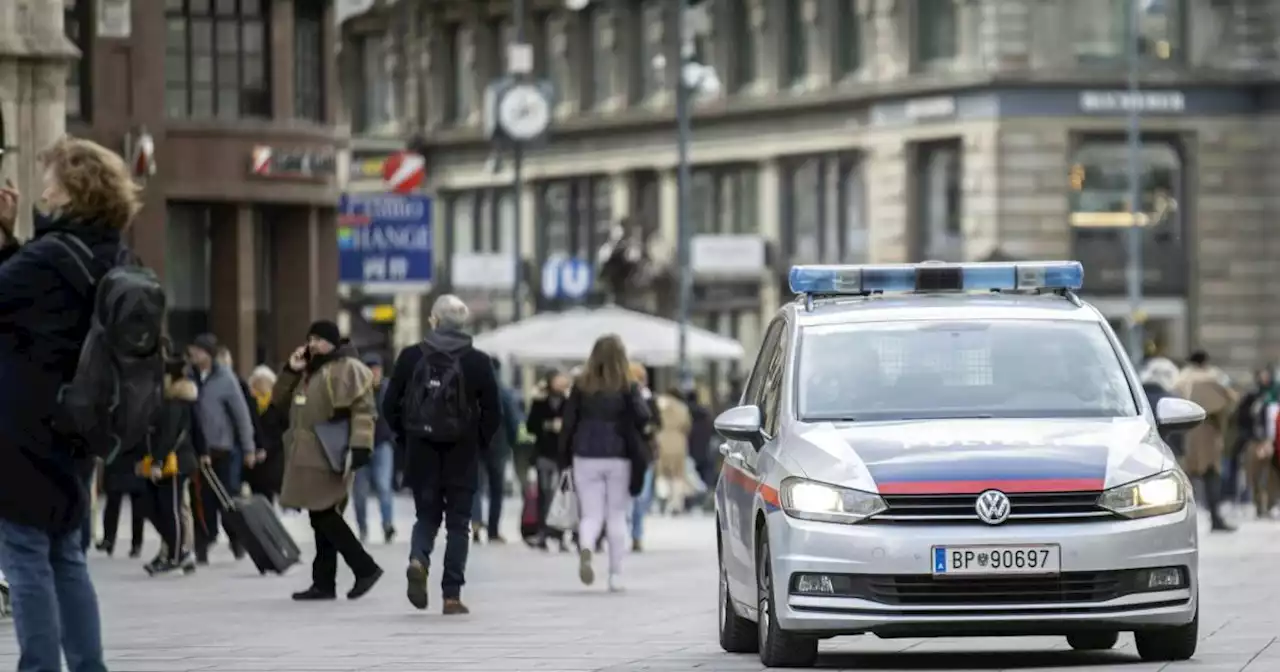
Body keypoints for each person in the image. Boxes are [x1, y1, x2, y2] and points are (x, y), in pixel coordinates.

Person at [0, 136, 144, 672]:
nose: (42, 187)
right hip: (77, 426)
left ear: (72, 190)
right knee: (65, 551)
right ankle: (88, 666)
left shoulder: (47, 257)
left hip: (24, 427)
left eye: (51, 179)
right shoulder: (112, 253)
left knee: (25, 551)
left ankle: (39, 666)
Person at [383, 295, 500, 614]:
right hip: (462, 453)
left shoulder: (410, 357)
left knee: (427, 516)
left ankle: (418, 559)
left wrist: (405, 438)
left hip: (421, 450)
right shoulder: (478, 361)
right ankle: (451, 595)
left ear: (433, 321)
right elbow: (494, 411)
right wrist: (478, 441)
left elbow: (388, 404)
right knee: (459, 524)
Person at [274, 320, 383, 601]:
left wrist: (360, 447)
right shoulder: (309, 370)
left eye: (319, 339)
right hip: (307, 453)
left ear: (333, 342)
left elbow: (364, 411)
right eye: (310, 338)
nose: (313, 344)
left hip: (331, 452)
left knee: (324, 514)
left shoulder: (349, 368)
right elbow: (278, 402)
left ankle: (364, 567)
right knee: (319, 516)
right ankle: (324, 582)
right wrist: (290, 370)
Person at [560, 336, 651, 592]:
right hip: (619, 455)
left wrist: (564, 457)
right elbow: (644, 416)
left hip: (585, 454)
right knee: (617, 515)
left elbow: (568, 423)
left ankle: (587, 545)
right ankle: (615, 575)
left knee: (590, 515)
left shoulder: (581, 385)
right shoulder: (628, 385)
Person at [186, 333, 257, 563]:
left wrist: (249, 449)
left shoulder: (226, 378)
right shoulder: (188, 376)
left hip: (222, 449)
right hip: (198, 451)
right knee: (200, 500)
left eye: (198, 351)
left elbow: (241, 415)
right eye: (193, 350)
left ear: (209, 354)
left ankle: (236, 540)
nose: (194, 354)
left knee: (227, 498)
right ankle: (203, 542)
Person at [140, 356, 206, 575]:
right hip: (177, 461)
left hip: (176, 463)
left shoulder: (175, 404)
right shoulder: (180, 402)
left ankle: (177, 554)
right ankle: (177, 551)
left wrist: (157, 462)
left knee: (172, 509)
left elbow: (168, 436)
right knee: (163, 508)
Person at [1175, 350, 1239, 532]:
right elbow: (1232, 398)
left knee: (1188, 476)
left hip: (1189, 430)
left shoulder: (1182, 378)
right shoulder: (1214, 376)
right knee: (1211, 474)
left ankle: (1181, 520)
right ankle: (1215, 518)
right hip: (1210, 429)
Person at [472, 356, 523, 544]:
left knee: (475, 487)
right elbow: (513, 421)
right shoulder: (504, 392)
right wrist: (513, 442)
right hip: (498, 446)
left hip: (473, 446)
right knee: (496, 489)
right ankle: (493, 530)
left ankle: (476, 524)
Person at [353, 353, 397, 544]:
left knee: (383, 486)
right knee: (359, 492)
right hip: (360, 447)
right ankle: (362, 528)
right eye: (370, 369)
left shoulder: (388, 390)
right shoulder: (357, 392)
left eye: (377, 369)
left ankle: (387, 525)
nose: (374, 373)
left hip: (382, 445)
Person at [526, 370, 571, 551]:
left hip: (562, 454)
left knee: (562, 494)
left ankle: (559, 532)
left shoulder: (569, 404)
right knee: (545, 493)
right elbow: (530, 426)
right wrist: (547, 425)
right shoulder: (540, 403)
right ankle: (544, 530)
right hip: (544, 453)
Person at [627, 363, 660, 553]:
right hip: (627, 453)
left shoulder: (649, 399)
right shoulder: (624, 398)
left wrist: (649, 429)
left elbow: (657, 423)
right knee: (629, 497)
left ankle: (636, 535)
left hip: (645, 453)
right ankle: (628, 530)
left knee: (642, 497)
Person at [246, 365, 286, 503]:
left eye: (262, 382)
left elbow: (282, 432)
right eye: (256, 382)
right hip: (255, 460)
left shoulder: (278, 405)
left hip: (272, 458)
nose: (258, 386)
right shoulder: (250, 404)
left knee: (268, 496)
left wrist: (266, 449)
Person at [96, 452, 146, 558]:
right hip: (119, 459)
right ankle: (109, 539)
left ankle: (135, 543)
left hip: (134, 459)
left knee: (137, 506)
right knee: (113, 502)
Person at [654, 388, 693, 516]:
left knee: (662, 472)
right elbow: (687, 425)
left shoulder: (658, 405)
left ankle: (663, 496)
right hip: (678, 441)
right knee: (678, 474)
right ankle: (676, 503)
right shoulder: (682, 408)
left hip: (661, 440)